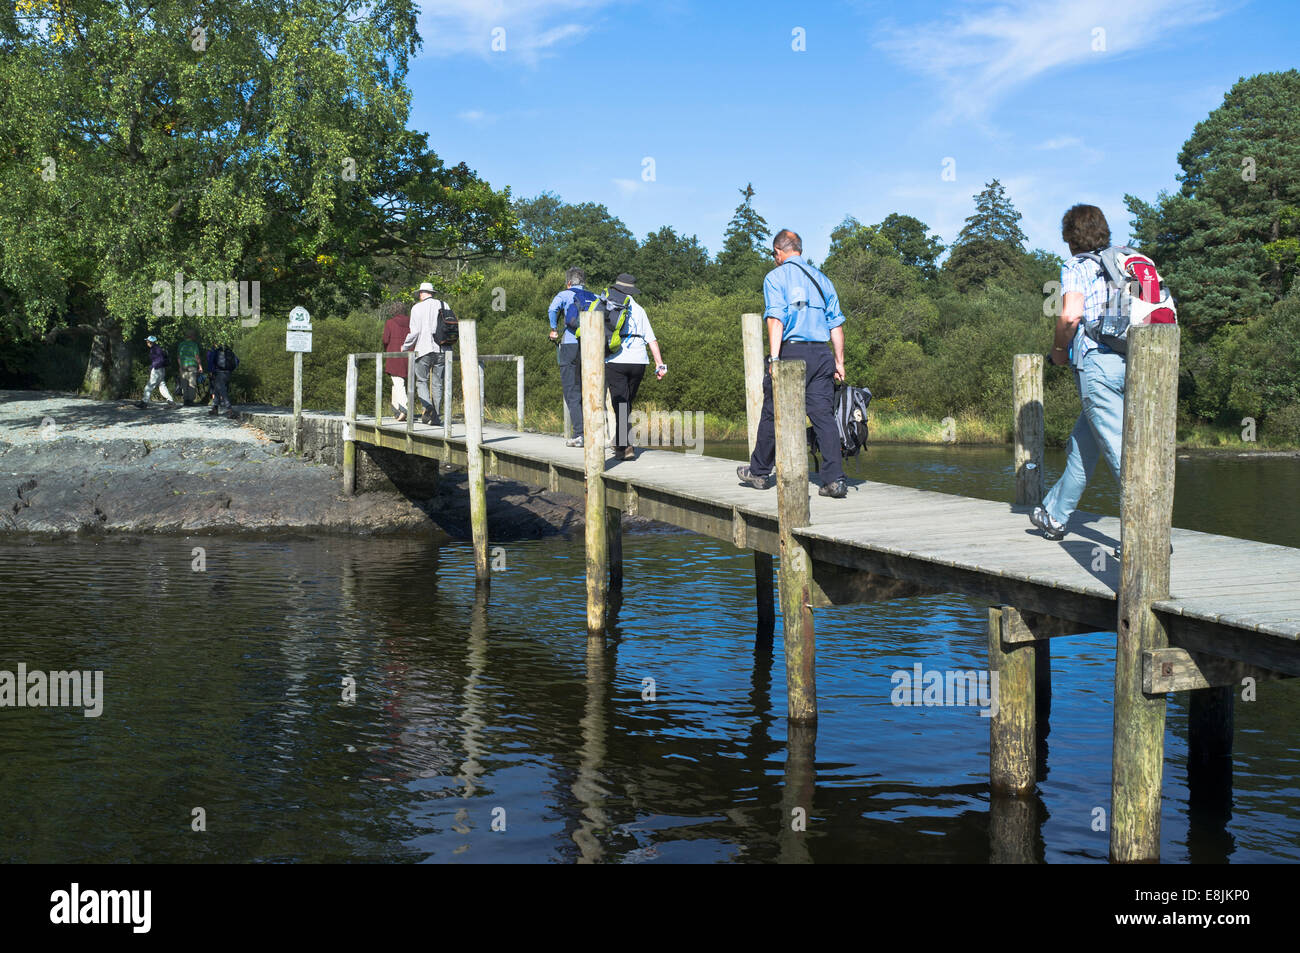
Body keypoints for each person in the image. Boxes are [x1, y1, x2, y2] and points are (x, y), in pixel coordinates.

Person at [1031, 204, 1126, 545]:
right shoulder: (1127, 261)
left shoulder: (1077, 264)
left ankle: (1148, 534)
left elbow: (1071, 316)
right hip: (1134, 362)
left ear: (1071, 239)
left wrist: (1058, 351)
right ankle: (1055, 516)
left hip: (1097, 363)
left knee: (1117, 449)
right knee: (1083, 444)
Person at [737, 229, 848, 498]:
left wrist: (774, 358)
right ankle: (834, 480)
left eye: (773, 254)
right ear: (799, 248)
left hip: (791, 352)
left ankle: (759, 472)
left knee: (772, 411)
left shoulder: (775, 277)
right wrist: (839, 361)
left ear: (778, 252)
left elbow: (775, 319)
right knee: (823, 415)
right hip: (822, 354)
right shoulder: (822, 279)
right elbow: (836, 325)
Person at [604, 273, 667, 460]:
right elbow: (652, 339)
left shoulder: (609, 305)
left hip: (616, 360)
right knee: (627, 403)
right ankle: (620, 440)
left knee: (620, 404)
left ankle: (625, 447)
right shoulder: (640, 309)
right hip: (639, 362)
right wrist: (659, 364)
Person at [547, 266, 595, 447]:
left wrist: (553, 329)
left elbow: (552, 310)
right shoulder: (594, 296)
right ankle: (595, 431)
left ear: (569, 282)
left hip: (570, 344)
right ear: (584, 282)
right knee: (590, 388)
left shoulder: (564, 295)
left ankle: (579, 434)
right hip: (592, 347)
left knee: (571, 389)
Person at [403, 281, 446, 426]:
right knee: (438, 384)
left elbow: (414, 332)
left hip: (424, 348)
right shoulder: (444, 305)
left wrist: (405, 346)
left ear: (422, 293)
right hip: (442, 349)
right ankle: (436, 417)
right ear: (432, 293)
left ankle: (428, 407)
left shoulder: (416, 308)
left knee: (422, 381)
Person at [381, 300, 412, 421]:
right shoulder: (411, 322)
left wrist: (387, 349)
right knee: (398, 382)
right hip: (409, 355)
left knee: (398, 382)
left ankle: (405, 409)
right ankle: (396, 410)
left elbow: (385, 340)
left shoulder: (390, 323)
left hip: (395, 355)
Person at [140, 335, 176, 407]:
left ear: (150, 342)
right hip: (162, 369)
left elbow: (158, 360)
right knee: (162, 385)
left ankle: (144, 402)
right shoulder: (158, 348)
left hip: (157, 369)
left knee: (149, 386)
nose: (146, 343)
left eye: (147, 341)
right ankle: (170, 401)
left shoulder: (154, 349)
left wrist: (152, 367)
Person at [206, 341, 239, 416]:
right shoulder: (229, 351)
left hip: (219, 372)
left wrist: (210, 371)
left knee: (222, 391)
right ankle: (215, 409)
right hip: (228, 373)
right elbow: (237, 361)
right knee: (217, 390)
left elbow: (210, 361)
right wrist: (231, 369)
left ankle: (230, 410)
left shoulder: (215, 351)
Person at [176, 329, 203, 405]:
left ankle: (185, 400)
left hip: (183, 365)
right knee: (192, 383)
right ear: (191, 336)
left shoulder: (181, 344)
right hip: (192, 365)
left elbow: (178, 356)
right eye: (194, 335)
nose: (195, 337)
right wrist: (200, 366)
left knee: (184, 383)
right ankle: (190, 400)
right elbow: (197, 356)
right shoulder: (194, 345)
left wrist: (180, 366)